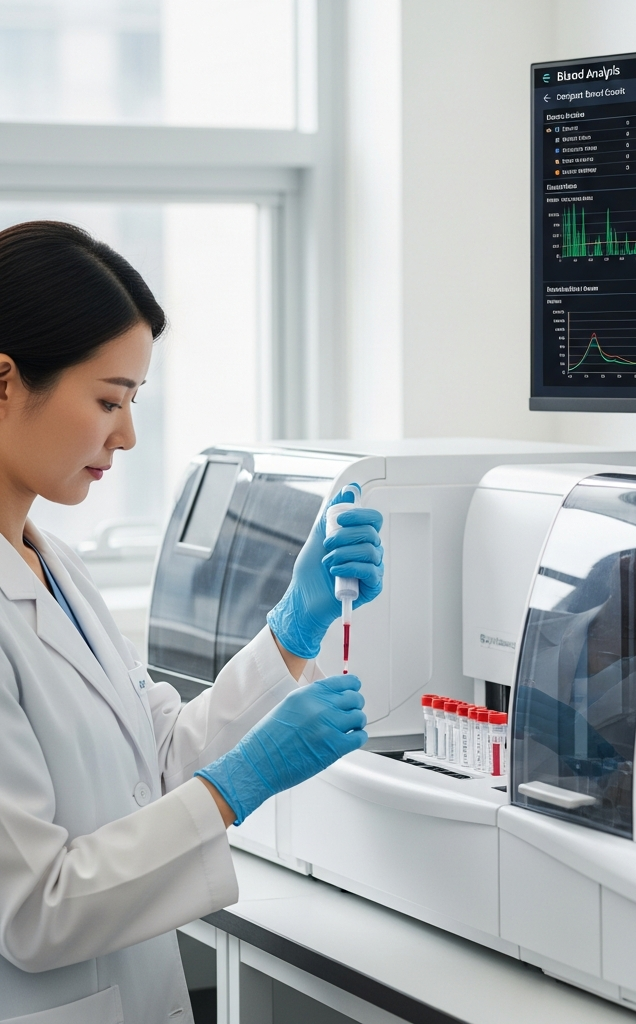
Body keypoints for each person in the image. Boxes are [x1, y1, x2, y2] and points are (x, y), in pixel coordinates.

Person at [0, 222, 383, 1024]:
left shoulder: (53, 566)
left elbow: (158, 758)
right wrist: (236, 788)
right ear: (5, 382)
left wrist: (291, 628)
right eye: (107, 399)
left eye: (134, 402)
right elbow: (37, 911)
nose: (127, 435)